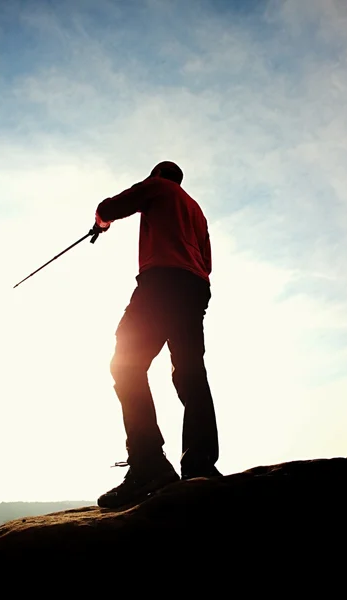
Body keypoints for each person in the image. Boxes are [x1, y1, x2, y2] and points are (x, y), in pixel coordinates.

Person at [94, 161, 220, 509]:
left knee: (125, 365)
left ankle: (148, 464)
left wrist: (101, 223)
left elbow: (111, 207)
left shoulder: (157, 187)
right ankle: (200, 466)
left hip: (161, 281)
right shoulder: (196, 209)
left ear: (158, 175)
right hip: (194, 287)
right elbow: (206, 262)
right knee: (191, 372)